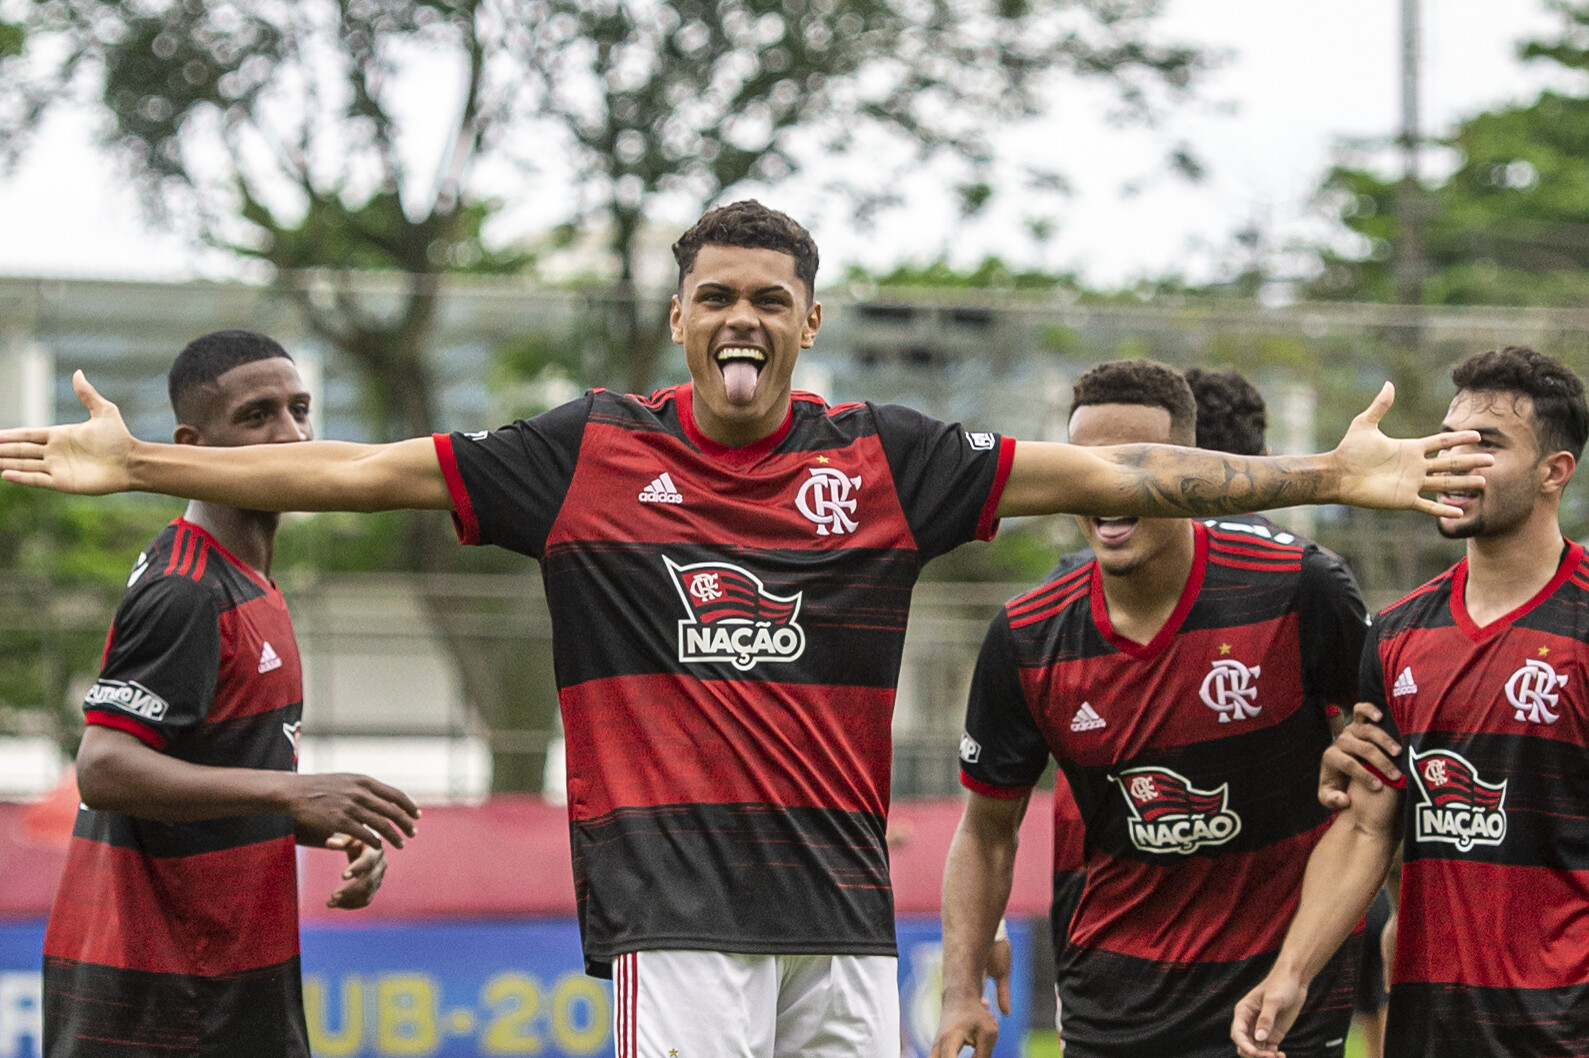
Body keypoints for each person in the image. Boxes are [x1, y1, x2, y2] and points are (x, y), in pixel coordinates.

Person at [0, 202, 1486, 1057]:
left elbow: (1112, 474)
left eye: (771, 298)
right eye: (715, 294)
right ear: (678, 320)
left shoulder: (887, 457)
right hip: (680, 915)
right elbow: (358, 470)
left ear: (807, 323)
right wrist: (142, 464)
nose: (742, 317)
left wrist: (1323, 475)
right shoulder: (582, 453)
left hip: (842, 916)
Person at [935, 359, 1371, 1058]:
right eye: (1087, 464)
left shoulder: (1299, 587)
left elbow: (1374, 784)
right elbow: (986, 833)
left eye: (1136, 463)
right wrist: (960, 991)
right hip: (1111, 1001)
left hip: (1280, 1005)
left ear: (1191, 470)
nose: (1110, 485)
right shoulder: (1026, 635)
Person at [40, 331, 421, 1058]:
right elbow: (105, 767)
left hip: (233, 976)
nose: (292, 436)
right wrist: (291, 795)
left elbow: (204, 773)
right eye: (257, 416)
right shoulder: (186, 589)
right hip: (160, 1005)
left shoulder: (250, 578)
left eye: (299, 409)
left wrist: (315, 819)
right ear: (195, 445)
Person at [1231, 346, 1589, 1058]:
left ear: (1554, 471)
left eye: (1486, 445)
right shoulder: (1397, 634)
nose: (1453, 460)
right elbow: (1368, 827)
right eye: (1447, 440)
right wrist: (1291, 972)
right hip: (1430, 1027)